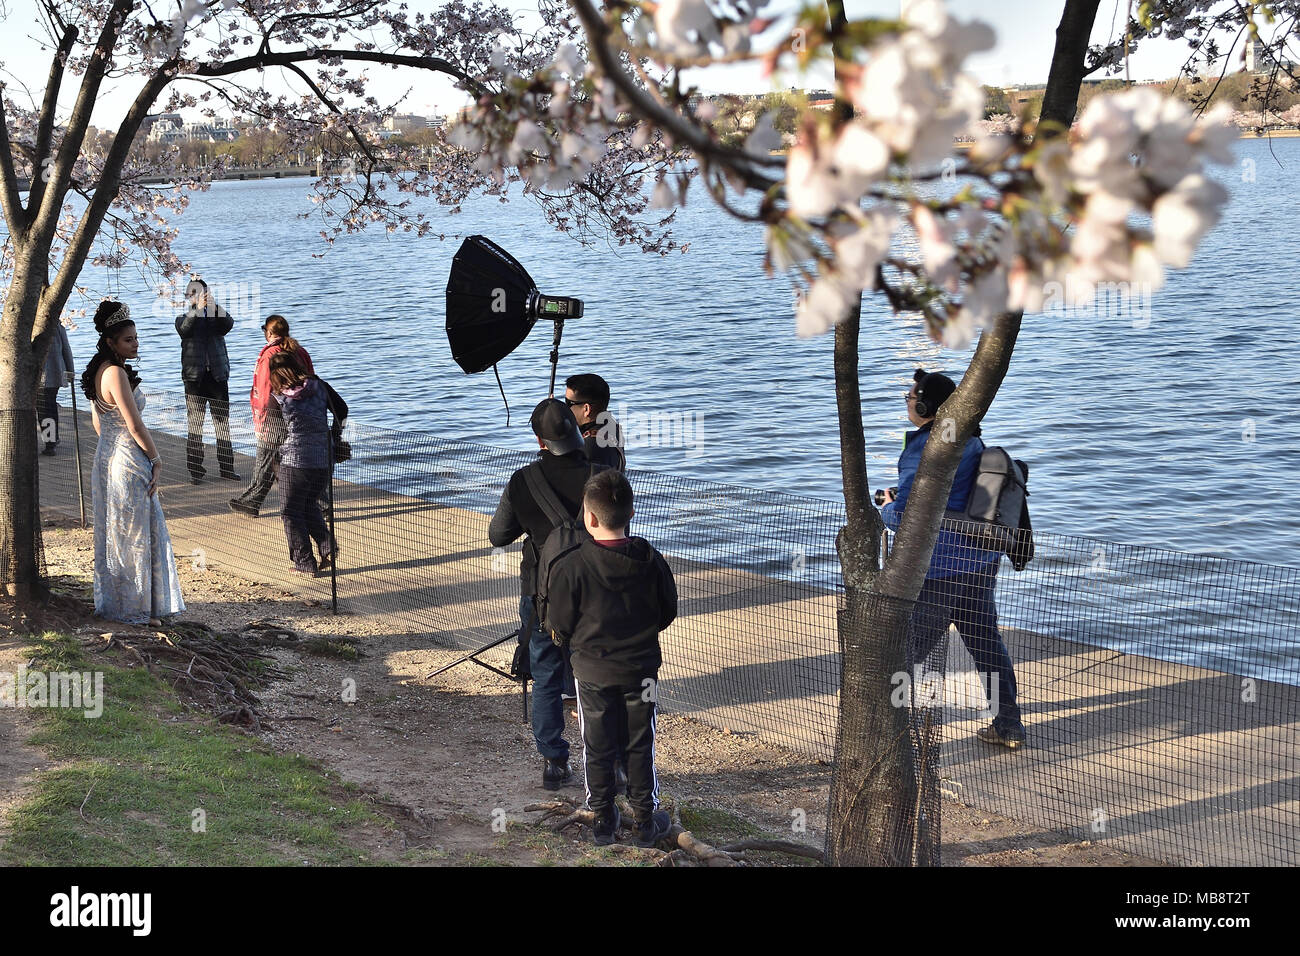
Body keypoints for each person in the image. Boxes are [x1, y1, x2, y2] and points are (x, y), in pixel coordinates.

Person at [879, 368, 1027, 749]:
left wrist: (887, 508)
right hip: (979, 562)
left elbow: (913, 517)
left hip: (941, 567)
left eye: (910, 398)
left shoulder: (925, 447)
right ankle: (1008, 725)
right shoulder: (970, 440)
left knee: (905, 649)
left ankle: (888, 732)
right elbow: (951, 495)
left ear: (926, 405)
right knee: (986, 643)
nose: (907, 402)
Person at [546, 469, 678, 847]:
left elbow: (559, 621)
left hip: (591, 671)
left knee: (597, 742)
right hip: (642, 669)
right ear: (631, 514)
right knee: (641, 741)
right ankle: (645, 819)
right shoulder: (651, 561)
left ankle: (603, 818)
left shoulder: (570, 565)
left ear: (588, 518)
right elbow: (667, 611)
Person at [488, 398, 595, 791]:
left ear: (540, 440)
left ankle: (553, 763)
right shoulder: (601, 475)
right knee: (594, 678)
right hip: (595, 595)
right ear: (578, 430)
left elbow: (498, 535)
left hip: (541, 596)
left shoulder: (523, 480)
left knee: (547, 677)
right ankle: (606, 760)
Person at [81, 301, 185, 627]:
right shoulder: (115, 373)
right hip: (128, 462)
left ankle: (130, 605)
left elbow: (100, 424)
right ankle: (136, 609)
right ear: (111, 341)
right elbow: (135, 424)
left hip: (106, 456)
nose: (136, 344)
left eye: (137, 338)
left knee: (119, 533)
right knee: (136, 534)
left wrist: (115, 444)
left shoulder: (100, 370)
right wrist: (156, 459)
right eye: (128, 340)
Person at [267, 352, 346, 575]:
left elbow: (274, 436)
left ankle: (304, 562)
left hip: (294, 460)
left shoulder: (278, 398)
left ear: (274, 374)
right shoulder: (320, 386)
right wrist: (335, 435)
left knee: (290, 511)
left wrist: (275, 465)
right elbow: (343, 409)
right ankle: (327, 546)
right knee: (309, 503)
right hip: (323, 457)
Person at [229, 315, 314, 517]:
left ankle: (252, 501)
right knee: (281, 461)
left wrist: (261, 419)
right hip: (299, 412)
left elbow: (265, 388)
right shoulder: (300, 351)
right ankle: (252, 501)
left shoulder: (269, 355)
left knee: (266, 458)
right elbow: (312, 379)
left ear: (269, 333)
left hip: (274, 415)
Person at [176, 278, 239, 484]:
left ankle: (227, 468)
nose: (199, 297)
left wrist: (214, 306)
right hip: (194, 379)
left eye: (203, 293)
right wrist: (197, 310)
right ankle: (195, 471)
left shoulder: (216, 316)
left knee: (223, 425)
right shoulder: (183, 317)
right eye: (194, 293)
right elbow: (185, 329)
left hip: (217, 377)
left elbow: (228, 324)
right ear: (188, 297)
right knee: (195, 426)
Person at [565, 373, 625, 472]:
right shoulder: (612, 427)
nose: (565, 408)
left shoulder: (587, 448)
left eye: (568, 403)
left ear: (586, 409)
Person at [40, 320, 75, 455]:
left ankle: (50, 443)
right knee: (49, 407)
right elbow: (67, 350)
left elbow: (66, 349)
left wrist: (70, 372)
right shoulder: (57, 325)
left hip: (46, 375)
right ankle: (52, 439)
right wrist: (70, 371)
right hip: (54, 373)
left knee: (45, 409)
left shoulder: (55, 325)